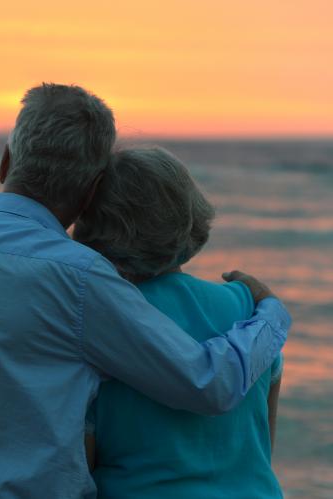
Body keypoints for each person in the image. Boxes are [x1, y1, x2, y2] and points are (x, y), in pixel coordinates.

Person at [0, 83, 291, 499]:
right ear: (90, 192)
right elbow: (206, 384)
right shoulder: (80, 277)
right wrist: (271, 311)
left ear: (6, 162)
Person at [74, 147, 284, 498]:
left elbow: (80, 472)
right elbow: (260, 450)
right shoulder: (251, 307)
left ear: (94, 224)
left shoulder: (99, 324)